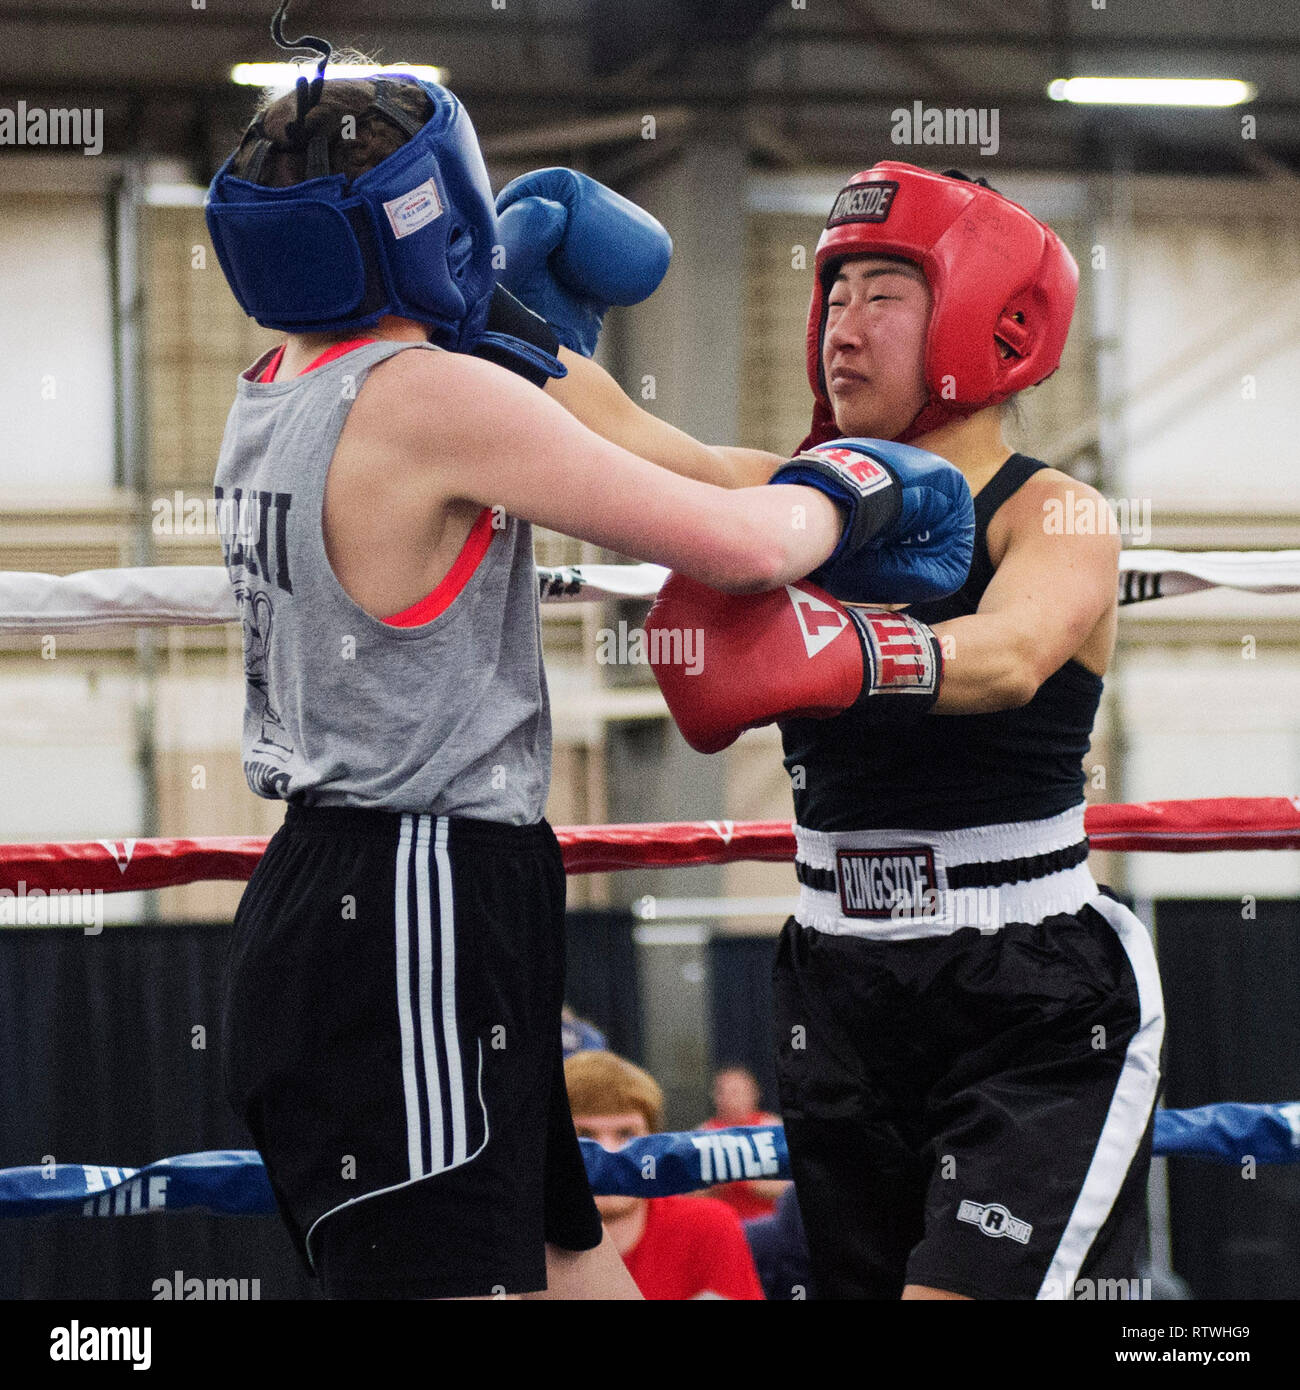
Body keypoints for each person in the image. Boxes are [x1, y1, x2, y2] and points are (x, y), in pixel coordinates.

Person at [207, 11, 971, 1301]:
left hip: (387, 898)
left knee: (576, 1271)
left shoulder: (278, 381)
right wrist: (859, 487)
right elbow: (736, 543)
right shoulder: (434, 398)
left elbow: (614, 451)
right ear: (429, 208)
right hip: (415, 903)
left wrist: (513, 341)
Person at [502, 160, 1166, 1301]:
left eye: (883, 295)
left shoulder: (1053, 508)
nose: (841, 331)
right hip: (837, 977)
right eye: (835, 295)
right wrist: (498, 315)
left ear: (981, 317)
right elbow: (637, 444)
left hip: (1027, 990)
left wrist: (848, 654)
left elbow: (1008, 656)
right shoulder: (798, 500)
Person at [565, 1050, 765, 1300]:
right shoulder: (521, 1241)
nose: (610, 1153)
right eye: (585, 1136)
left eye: (627, 1134)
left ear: (653, 1143)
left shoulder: (708, 1227)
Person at [698, 1066, 788, 1220]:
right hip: (723, 1224)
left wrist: (743, 1179)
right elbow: (689, 1195)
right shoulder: (703, 1134)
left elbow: (789, 1188)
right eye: (722, 1092)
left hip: (769, 1223)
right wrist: (715, 1184)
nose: (729, 1099)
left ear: (754, 1094)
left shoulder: (773, 1127)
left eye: (736, 1092)